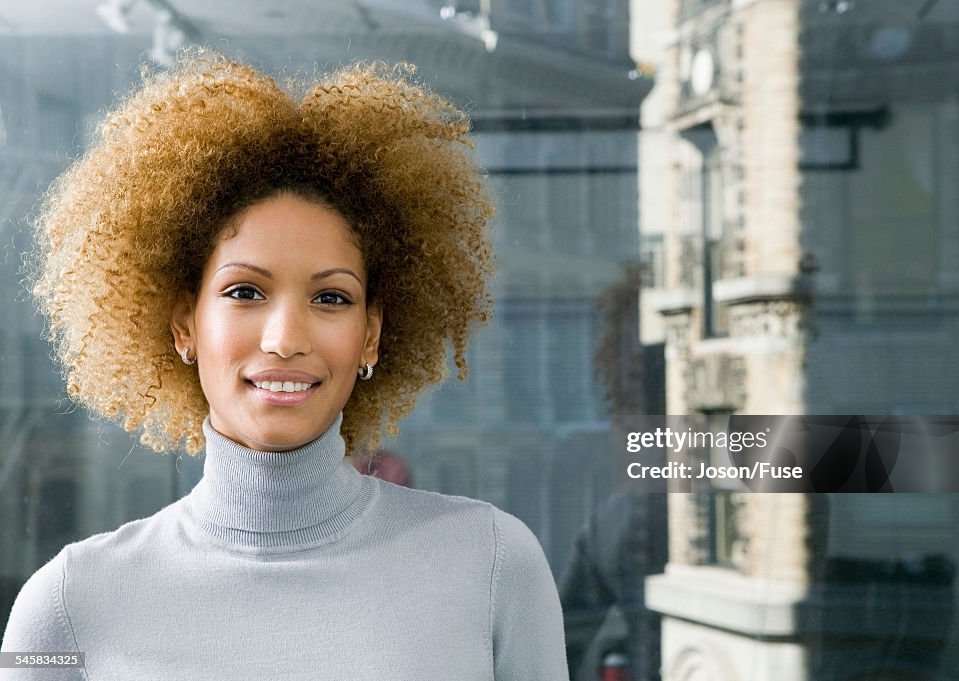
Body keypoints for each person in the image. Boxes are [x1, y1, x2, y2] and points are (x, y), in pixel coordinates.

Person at [1, 51, 568, 680]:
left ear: (372, 334)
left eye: (331, 298)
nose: (285, 338)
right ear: (184, 322)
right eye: (244, 291)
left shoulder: (493, 563)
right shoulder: (63, 606)